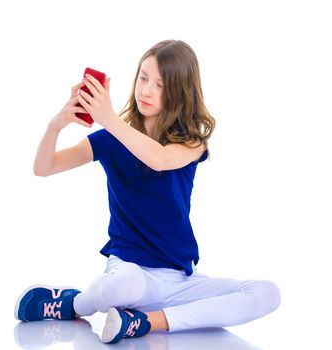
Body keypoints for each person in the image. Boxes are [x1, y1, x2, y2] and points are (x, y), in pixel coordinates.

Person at [14, 40, 281, 344]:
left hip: (180, 280)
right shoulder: (108, 140)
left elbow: (159, 159)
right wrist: (56, 125)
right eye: (143, 78)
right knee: (123, 285)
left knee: (267, 293)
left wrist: (109, 119)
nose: (147, 91)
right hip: (129, 270)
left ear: (179, 92)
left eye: (160, 85)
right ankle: (72, 304)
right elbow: (44, 167)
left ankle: (145, 322)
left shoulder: (191, 143)